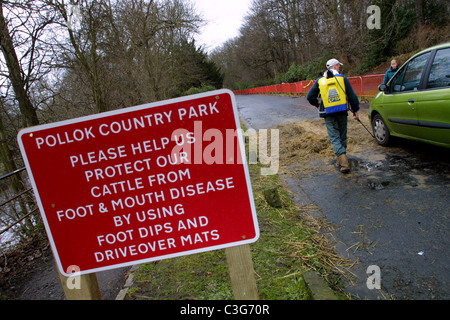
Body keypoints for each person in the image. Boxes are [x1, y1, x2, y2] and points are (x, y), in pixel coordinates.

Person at [306, 58, 360, 173]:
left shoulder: (320, 81)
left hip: (328, 113)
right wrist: (355, 111)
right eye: (338, 66)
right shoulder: (342, 78)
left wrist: (317, 104)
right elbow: (352, 96)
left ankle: (343, 162)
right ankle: (343, 160)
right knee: (342, 136)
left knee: (335, 138)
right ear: (335, 66)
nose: (339, 68)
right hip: (341, 111)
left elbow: (310, 96)